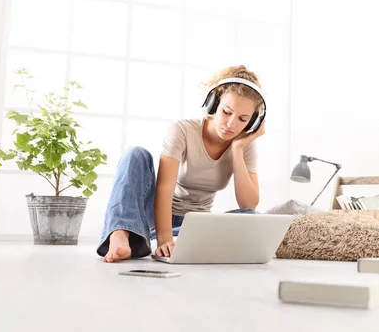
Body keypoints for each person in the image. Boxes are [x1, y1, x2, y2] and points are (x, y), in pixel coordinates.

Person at [96, 65, 267, 263]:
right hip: (159, 215)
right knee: (136, 154)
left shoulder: (245, 145)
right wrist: (164, 240)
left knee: (251, 216)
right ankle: (120, 233)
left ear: (253, 121)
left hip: (196, 223)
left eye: (243, 119)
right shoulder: (183, 130)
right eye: (227, 112)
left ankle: (155, 238)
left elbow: (248, 204)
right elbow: (164, 189)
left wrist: (237, 150)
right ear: (214, 103)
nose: (231, 124)